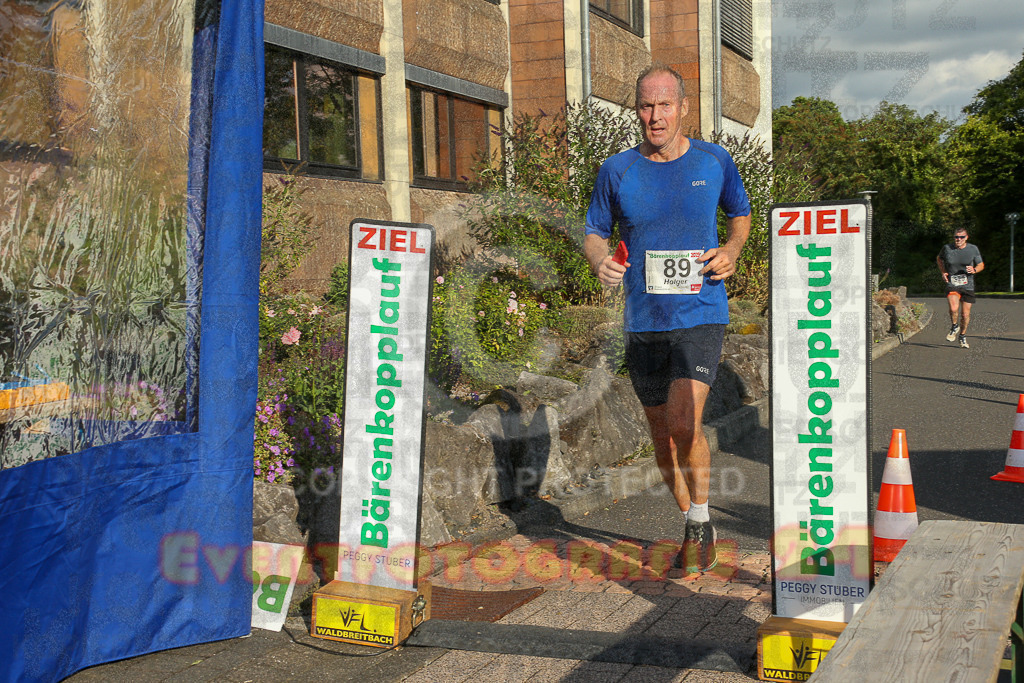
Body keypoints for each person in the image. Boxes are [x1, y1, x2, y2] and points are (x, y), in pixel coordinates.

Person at [583, 64, 751, 573]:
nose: (654, 117)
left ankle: (700, 519)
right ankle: (693, 522)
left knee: (684, 420)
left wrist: (732, 250)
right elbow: (594, 230)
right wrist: (600, 260)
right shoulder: (617, 170)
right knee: (660, 433)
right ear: (637, 110)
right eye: (645, 106)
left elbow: (739, 214)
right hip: (643, 318)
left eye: (664, 105)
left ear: (682, 107)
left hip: (700, 311)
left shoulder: (714, 161)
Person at [936, 228, 983, 349]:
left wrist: (974, 270)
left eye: (961, 237)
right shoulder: (947, 248)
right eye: (956, 237)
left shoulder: (973, 249)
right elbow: (939, 258)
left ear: (966, 237)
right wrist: (943, 271)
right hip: (953, 283)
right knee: (953, 308)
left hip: (968, 285)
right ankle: (954, 326)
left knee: (965, 315)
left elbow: (981, 264)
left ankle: (962, 336)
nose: (958, 239)